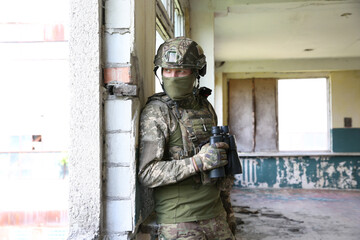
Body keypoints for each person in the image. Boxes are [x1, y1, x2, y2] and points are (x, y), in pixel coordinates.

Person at [138, 37, 236, 240]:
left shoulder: (205, 107)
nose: (173, 77)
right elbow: (147, 173)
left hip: (216, 214)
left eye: (181, 71)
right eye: (167, 70)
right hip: (179, 223)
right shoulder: (158, 111)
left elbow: (218, 167)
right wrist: (197, 162)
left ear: (196, 72)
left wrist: (228, 212)